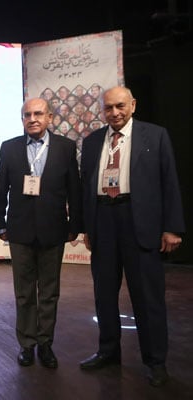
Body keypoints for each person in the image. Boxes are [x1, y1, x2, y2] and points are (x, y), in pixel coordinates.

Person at [79, 87, 185, 387]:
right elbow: (86, 186)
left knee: (147, 297)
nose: (115, 113)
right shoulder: (92, 141)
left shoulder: (156, 135)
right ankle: (108, 351)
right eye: (109, 108)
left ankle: (155, 361)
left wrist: (173, 227)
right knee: (104, 294)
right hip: (103, 220)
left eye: (120, 106)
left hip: (140, 222)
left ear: (133, 105)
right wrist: (87, 227)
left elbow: (170, 182)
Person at [0, 98, 82, 369]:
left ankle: (45, 343)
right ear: (22, 119)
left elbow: (74, 189)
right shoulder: (9, 148)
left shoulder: (65, 147)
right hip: (19, 231)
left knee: (50, 291)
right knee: (24, 292)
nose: (32, 118)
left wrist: (74, 225)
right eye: (27, 114)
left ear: (49, 117)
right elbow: (0, 189)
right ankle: (27, 344)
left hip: (54, 230)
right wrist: (0, 223)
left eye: (38, 113)